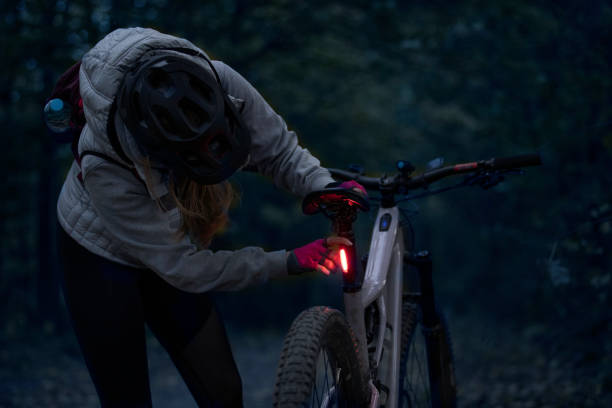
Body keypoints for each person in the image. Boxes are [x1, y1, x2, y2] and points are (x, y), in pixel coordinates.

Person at [56, 27, 366, 407]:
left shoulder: (218, 79)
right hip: (99, 259)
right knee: (127, 400)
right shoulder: (105, 164)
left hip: (169, 246)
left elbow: (280, 150)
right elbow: (186, 268)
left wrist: (322, 187)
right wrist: (285, 261)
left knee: (223, 390)